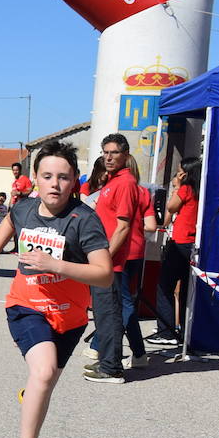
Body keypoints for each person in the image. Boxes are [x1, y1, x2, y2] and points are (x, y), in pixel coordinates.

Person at [0, 142, 112, 438]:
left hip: (69, 318)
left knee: (44, 380)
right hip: (27, 307)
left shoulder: (84, 221)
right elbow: (9, 221)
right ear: (34, 179)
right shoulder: (23, 208)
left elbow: (103, 275)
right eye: (47, 176)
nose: (54, 184)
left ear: (75, 182)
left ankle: (32, 395)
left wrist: (57, 265)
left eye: (63, 177)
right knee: (44, 372)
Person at [85, 135, 141, 384]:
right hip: (103, 260)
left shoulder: (126, 183)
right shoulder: (112, 181)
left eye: (114, 153)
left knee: (109, 314)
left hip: (110, 263)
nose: (108, 157)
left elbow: (123, 227)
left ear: (126, 155)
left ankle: (111, 367)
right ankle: (107, 360)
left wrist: (104, 260)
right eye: (105, 152)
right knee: (104, 314)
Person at [148, 158, 201, 346]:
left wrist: (178, 185)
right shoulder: (200, 190)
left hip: (180, 242)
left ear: (186, 173)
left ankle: (166, 331)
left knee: (165, 286)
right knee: (187, 289)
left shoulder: (186, 189)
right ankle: (185, 330)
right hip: (192, 243)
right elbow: (169, 217)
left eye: (180, 171)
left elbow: (171, 207)